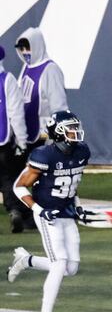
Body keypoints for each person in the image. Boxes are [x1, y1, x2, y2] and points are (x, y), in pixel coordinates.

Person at [6, 111, 88, 312]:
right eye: (70, 128)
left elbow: (72, 182)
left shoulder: (82, 151)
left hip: (67, 212)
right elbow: (19, 186)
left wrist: (78, 206)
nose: (75, 132)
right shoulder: (43, 155)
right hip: (46, 213)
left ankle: (27, 260)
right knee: (60, 263)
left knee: (70, 268)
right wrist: (39, 210)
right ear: (59, 133)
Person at [14, 27, 69, 231]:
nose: (25, 51)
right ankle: (31, 215)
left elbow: (59, 105)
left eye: (27, 46)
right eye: (21, 48)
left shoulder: (50, 69)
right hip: (28, 133)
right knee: (27, 176)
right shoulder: (26, 68)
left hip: (44, 133)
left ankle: (54, 214)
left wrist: (56, 135)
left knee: (45, 177)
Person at [0, 44, 29, 232]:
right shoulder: (7, 79)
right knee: (7, 178)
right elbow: (15, 112)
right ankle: (14, 211)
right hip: (3, 139)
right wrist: (22, 140)